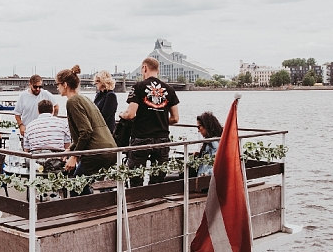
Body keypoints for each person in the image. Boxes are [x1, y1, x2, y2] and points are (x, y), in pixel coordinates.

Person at [56, 65, 117, 195]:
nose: (57, 87)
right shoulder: (85, 98)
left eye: (58, 84)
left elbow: (86, 132)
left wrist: (74, 156)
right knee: (85, 186)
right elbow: (89, 129)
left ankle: (85, 214)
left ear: (65, 84)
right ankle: (96, 211)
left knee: (75, 187)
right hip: (109, 149)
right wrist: (71, 148)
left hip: (96, 152)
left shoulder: (72, 102)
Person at [119, 57, 180, 187]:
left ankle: (137, 203)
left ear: (144, 68)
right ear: (158, 70)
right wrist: (159, 121)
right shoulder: (169, 89)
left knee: (136, 177)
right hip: (162, 139)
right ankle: (155, 201)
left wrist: (121, 114)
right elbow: (175, 118)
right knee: (158, 179)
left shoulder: (138, 87)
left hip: (141, 138)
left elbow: (130, 114)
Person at [195, 112, 223, 177]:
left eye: (199, 127)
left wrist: (205, 174)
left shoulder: (213, 143)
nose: (198, 130)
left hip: (204, 178)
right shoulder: (212, 141)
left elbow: (218, 164)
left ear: (206, 126)